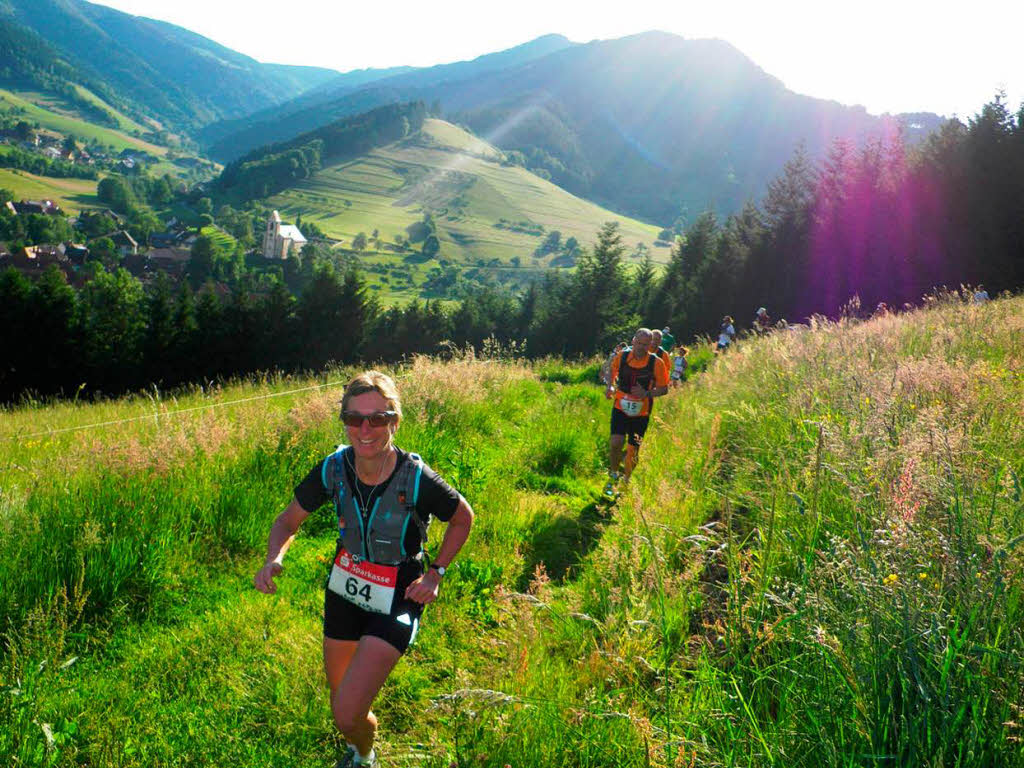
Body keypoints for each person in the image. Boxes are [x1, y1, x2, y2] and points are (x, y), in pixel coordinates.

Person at [254, 371, 474, 768]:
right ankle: (364, 753)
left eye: (378, 418)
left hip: (399, 597)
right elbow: (287, 522)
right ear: (344, 422)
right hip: (345, 591)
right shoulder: (332, 469)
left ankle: (362, 752)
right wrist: (274, 557)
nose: (365, 429)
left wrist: (436, 572)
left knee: (346, 711)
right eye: (354, 419)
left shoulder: (416, 477)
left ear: (395, 421)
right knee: (344, 706)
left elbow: (462, 518)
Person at [603, 328, 669, 496]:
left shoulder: (657, 362)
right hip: (620, 406)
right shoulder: (623, 356)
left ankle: (626, 482)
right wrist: (610, 385)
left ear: (650, 345)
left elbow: (663, 388)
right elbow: (612, 370)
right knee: (616, 443)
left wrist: (646, 393)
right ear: (633, 341)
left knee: (633, 450)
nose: (641, 347)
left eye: (645, 345)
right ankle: (613, 474)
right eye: (638, 343)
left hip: (641, 412)